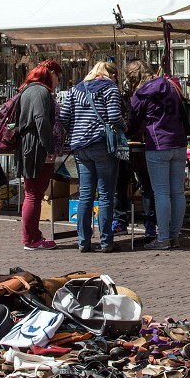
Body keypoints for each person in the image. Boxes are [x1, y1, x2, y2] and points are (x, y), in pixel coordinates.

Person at [58, 60, 126, 253]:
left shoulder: (74, 90)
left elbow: (64, 118)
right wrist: (125, 126)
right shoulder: (110, 89)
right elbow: (114, 117)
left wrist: (76, 132)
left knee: (85, 195)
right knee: (105, 195)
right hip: (102, 144)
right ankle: (106, 242)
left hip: (80, 147)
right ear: (108, 74)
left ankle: (83, 241)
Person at [130, 62, 189, 250]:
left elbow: (133, 122)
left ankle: (163, 238)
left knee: (161, 193)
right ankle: (175, 236)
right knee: (177, 192)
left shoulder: (140, 94)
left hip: (157, 144)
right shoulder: (171, 86)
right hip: (179, 142)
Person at [15, 60, 63, 251]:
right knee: (34, 194)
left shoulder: (27, 90)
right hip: (36, 146)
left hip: (29, 144)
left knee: (32, 192)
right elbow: (41, 120)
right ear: (50, 73)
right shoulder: (41, 92)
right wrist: (50, 148)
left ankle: (32, 236)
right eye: (58, 77)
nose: (58, 82)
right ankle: (31, 238)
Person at [117, 60, 157, 237]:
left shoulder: (138, 95)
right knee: (145, 185)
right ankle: (148, 223)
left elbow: (133, 121)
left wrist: (126, 131)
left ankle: (122, 221)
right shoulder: (155, 90)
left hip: (138, 142)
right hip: (146, 143)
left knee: (128, 183)